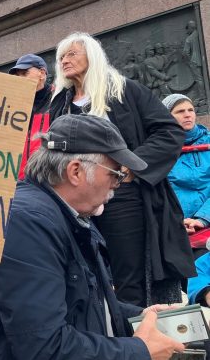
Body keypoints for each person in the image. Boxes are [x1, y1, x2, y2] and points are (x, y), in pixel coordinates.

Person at [0, 115, 184, 360]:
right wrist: (139, 355)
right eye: (116, 174)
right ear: (75, 172)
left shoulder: (69, 216)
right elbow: (43, 347)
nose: (118, 184)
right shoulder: (25, 222)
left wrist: (138, 315)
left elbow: (79, 300)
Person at [50, 32, 194, 306]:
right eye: (61, 57)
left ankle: (135, 340)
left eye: (72, 54)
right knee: (86, 272)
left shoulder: (124, 91)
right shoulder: (61, 103)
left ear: (91, 56)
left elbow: (168, 132)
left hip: (122, 198)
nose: (64, 61)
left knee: (129, 275)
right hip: (76, 203)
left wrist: (132, 166)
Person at [164, 94, 210, 235]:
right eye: (180, 111)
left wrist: (202, 219)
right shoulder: (158, 148)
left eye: (190, 110)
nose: (187, 115)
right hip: (174, 226)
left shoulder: (208, 142)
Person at [8, 53, 52, 179]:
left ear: (42, 73)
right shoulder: (12, 105)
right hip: (18, 181)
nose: (20, 78)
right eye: (17, 76)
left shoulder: (58, 100)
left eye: (25, 73)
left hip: (47, 179)